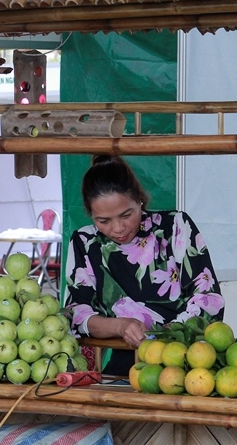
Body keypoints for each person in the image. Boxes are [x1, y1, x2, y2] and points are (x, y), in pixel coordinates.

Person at [64, 155, 225, 375]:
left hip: (188, 362)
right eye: (103, 221)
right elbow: (77, 314)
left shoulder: (175, 227)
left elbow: (209, 298)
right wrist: (120, 326)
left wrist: (164, 335)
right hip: (124, 368)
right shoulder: (85, 242)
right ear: (90, 214)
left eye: (126, 215)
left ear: (139, 199)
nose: (118, 228)